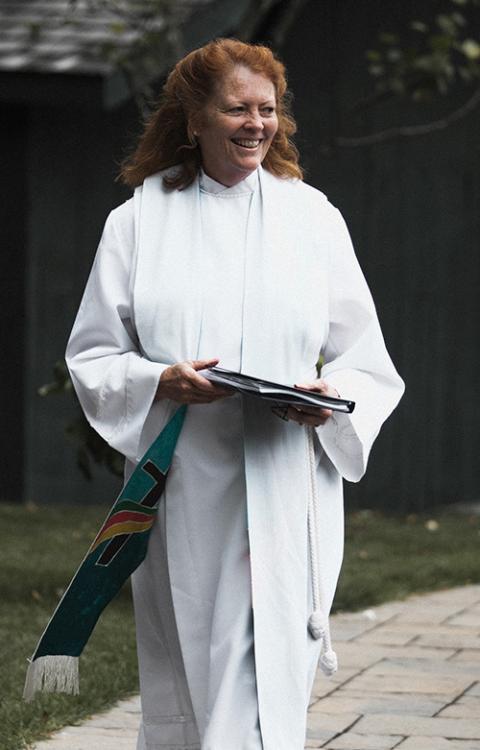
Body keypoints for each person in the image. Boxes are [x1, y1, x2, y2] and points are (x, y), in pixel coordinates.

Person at [66, 38, 404, 750]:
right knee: (205, 662)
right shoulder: (138, 223)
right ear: (193, 120)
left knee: (266, 666)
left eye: (268, 109)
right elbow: (93, 351)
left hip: (287, 478)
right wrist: (162, 379)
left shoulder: (313, 218)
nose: (256, 124)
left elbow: (367, 361)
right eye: (237, 109)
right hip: (186, 483)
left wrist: (328, 396)